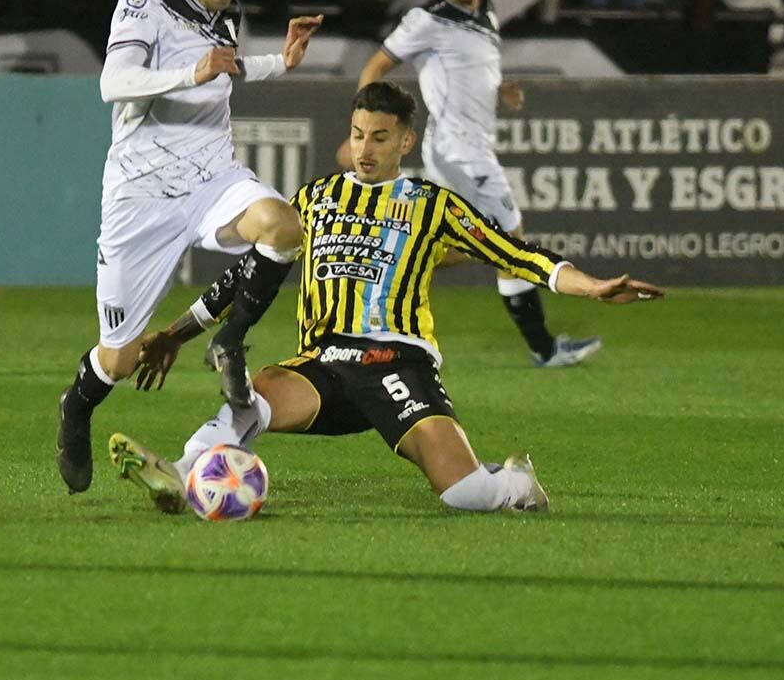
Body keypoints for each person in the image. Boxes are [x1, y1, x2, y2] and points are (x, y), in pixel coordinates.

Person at [109, 81, 664, 514]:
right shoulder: (315, 198)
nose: (364, 148)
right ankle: (180, 474)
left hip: (397, 361)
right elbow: (246, 277)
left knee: (463, 495)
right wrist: (177, 333)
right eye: (356, 134)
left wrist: (591, 285)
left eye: (379, 137)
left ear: (405, 141)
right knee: (252, 396)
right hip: (324, 363)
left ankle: (513, 481)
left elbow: (516, 253)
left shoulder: (431, 203)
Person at [55, 0, 323, 494]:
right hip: (142, 195)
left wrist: (283, 61)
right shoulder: (142, 2)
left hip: (212, 180)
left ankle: (229, 341)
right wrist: (190, 74)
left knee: (283, 226)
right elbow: (114, 83)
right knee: (120, 361)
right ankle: (76, 405)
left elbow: (226, 69)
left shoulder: (226, 15)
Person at [352, 0, 603, 369]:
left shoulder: (486, 12)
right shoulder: (427, 19)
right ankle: (544, 350)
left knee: (473, 243)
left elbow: (470, 71)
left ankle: (379, 270)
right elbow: (376, 64)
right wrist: (363, 128)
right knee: (509, 242)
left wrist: (499, 89)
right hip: (456, 151)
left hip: (473, 149)